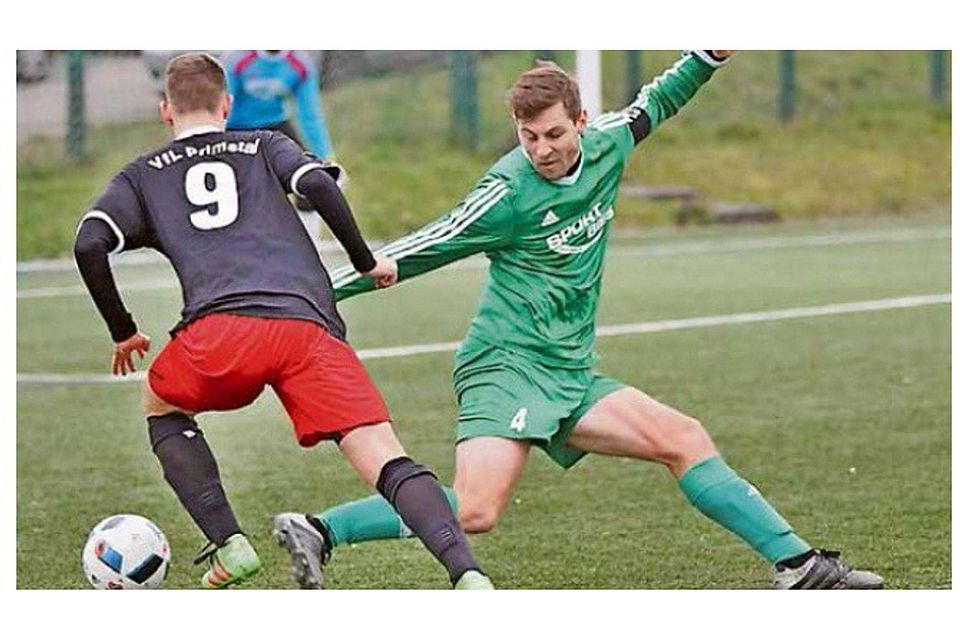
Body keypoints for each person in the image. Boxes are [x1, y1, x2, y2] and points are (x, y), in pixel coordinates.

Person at [283, 50, 884, 589]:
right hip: (505, 368)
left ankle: (799, 565)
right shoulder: (507, 192)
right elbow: (425, 243)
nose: (541, 149)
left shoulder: (609, 143)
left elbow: (659, 100)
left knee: (683, 439)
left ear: (580, 121)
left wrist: (709, 55)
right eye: (527, 137)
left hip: (568, 369)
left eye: (553, 134)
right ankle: (321, 529)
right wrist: (311, 292)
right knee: (476, 509)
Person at [73, 52, 491, 590]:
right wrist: (366, 262)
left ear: (165, 110)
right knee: (385, 457)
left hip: (219, 336)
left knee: (161, 403)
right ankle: (467, 575)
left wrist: (124, 330)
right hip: (306, 331)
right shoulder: (264, 144)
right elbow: (319, 185)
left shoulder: (141, 175)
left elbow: (89, 243)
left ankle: (230, 542)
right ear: (228, 104)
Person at [222, 49, 338, 253]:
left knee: (311, 177)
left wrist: (325, 155)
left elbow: (309, 113)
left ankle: (309, 250)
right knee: (242, 193)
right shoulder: (237, 61)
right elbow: (222, 105)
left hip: (275, 126)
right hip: (236, 128)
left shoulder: (300, 64)